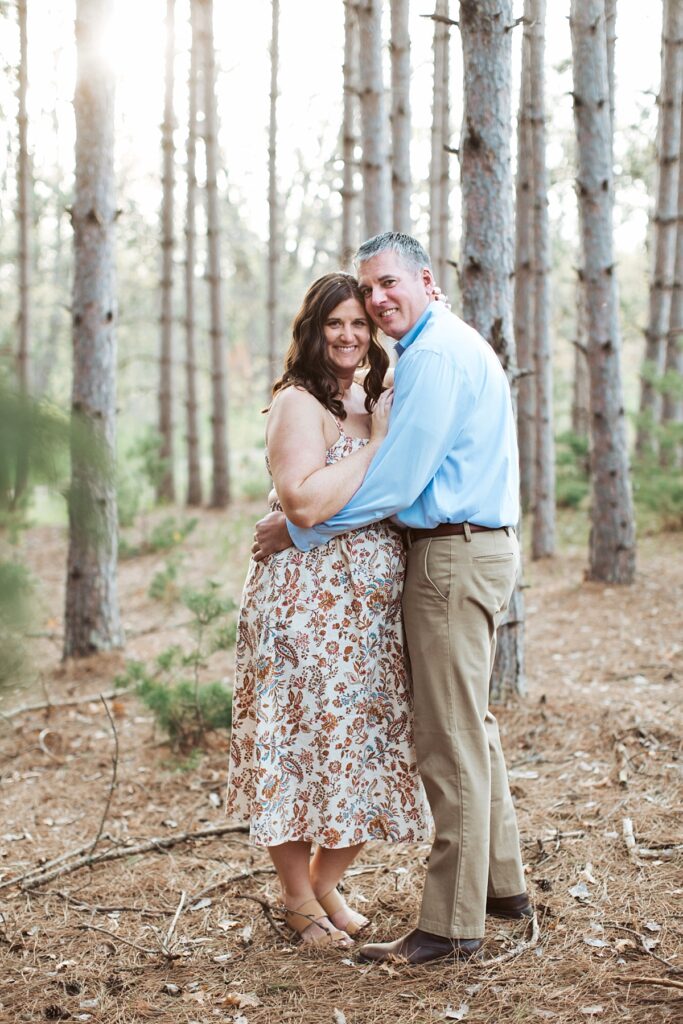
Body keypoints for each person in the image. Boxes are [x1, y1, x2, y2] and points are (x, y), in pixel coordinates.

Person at [251, 232, 532, 965]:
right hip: (461, 549)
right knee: (469, 725)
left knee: (449, 741)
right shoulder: (433, 352)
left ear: (424, 280)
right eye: (365, 292)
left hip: (452, 555)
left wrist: (300, 532)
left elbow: (400, 479)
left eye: (385, 285)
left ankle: (448, 925)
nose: (374, 304)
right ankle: (501, 888)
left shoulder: (433, 356)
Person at [225, 271, 432, 948]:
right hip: (304, 606)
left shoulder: (371, 395)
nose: (347, 336)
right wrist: (374, 443)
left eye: (358, 324)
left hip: (364, 615)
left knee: (365, 744)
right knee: (295, 743)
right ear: (311, 331)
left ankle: (318, 886)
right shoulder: (298, 401)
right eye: (333, 323)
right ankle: (295, 897)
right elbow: (304, 503)